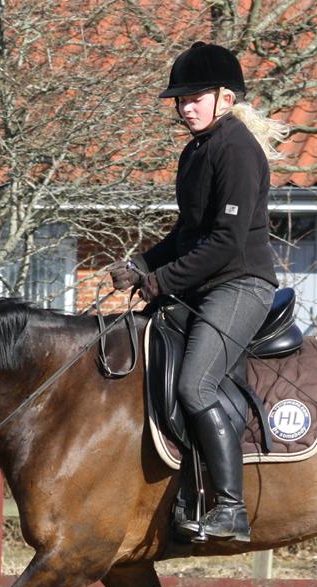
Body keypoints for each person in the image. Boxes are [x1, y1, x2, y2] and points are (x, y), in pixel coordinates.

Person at [109, 41, 288, 543]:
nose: (186, 107)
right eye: (180, 100)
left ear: (226, 99)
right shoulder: (197, 150)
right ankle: (185, 495)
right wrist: (141, 264)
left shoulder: (237, 150)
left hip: (241, 284)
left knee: (195, 386)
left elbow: (225, 241)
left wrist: (161, 281)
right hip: (205, 285)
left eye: (195, 97)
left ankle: (230, 509)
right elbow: (189, 233)